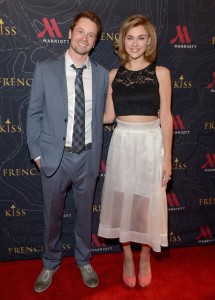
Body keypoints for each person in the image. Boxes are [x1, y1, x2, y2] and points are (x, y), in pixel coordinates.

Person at [26, 11, 108, 293]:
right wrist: (36, 153)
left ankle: (84, 260)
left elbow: (102, 115)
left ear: (95, 42)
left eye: (91, 35)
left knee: (85, 214)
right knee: (52, 215)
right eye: (81, 31)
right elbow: (34, 114)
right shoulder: (45, 68)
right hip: (54, 157)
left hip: (87, 156)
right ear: (70, 33)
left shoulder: (101, 75)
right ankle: (50, 262)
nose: (85, 38)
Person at [98, 14, 173, 288]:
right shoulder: (113, 75)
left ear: (149, 41)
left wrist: (167, 159)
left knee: (145, 206)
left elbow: (166, 116)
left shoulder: (161, 73)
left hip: (151, 144)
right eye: (130, 37)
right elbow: (108, 116)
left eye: (141, 37)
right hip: (123, 143)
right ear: (122, 41)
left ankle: (145, 257)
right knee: (123, 204)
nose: (135, 43)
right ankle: (127, 255)